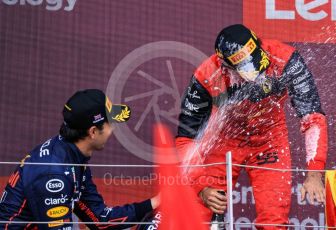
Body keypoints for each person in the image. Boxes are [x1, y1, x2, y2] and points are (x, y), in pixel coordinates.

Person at [175, 24, 328, 229]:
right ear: (225, 65)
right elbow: (186, 139)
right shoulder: (206, 75)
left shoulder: (285, 59)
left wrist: (314, 172)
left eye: (257, 63)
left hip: (270, 139)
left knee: (274, 221)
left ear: (259, 45)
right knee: (200, 213)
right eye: (247, 68)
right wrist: (201, 186)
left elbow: (313, 117)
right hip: (224, 140)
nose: (256, 72)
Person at [0, 89, 160, 230]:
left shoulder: (73, 155)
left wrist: (157, 202)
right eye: (110, 123)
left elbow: (100, 220)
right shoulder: (54, 177)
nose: (114, 128)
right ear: (93, 132)